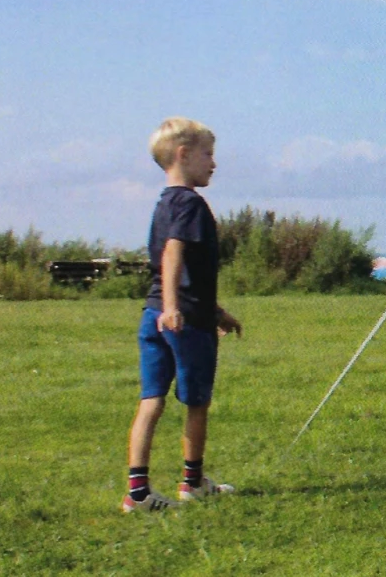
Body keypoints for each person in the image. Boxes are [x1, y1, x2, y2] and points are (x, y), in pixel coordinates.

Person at [122, 117, 243, 513]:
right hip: (182, 320)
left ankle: (137, 492)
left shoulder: (164, 203)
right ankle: (192, 483)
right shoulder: (190, 203)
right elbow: (174, 252)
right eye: (208, 154)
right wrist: (176, 307)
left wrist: (216, 312)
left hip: (153, 314)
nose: (214, 163)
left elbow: (182, 268)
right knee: (197, 402)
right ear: (184, 155)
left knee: (151, 400)